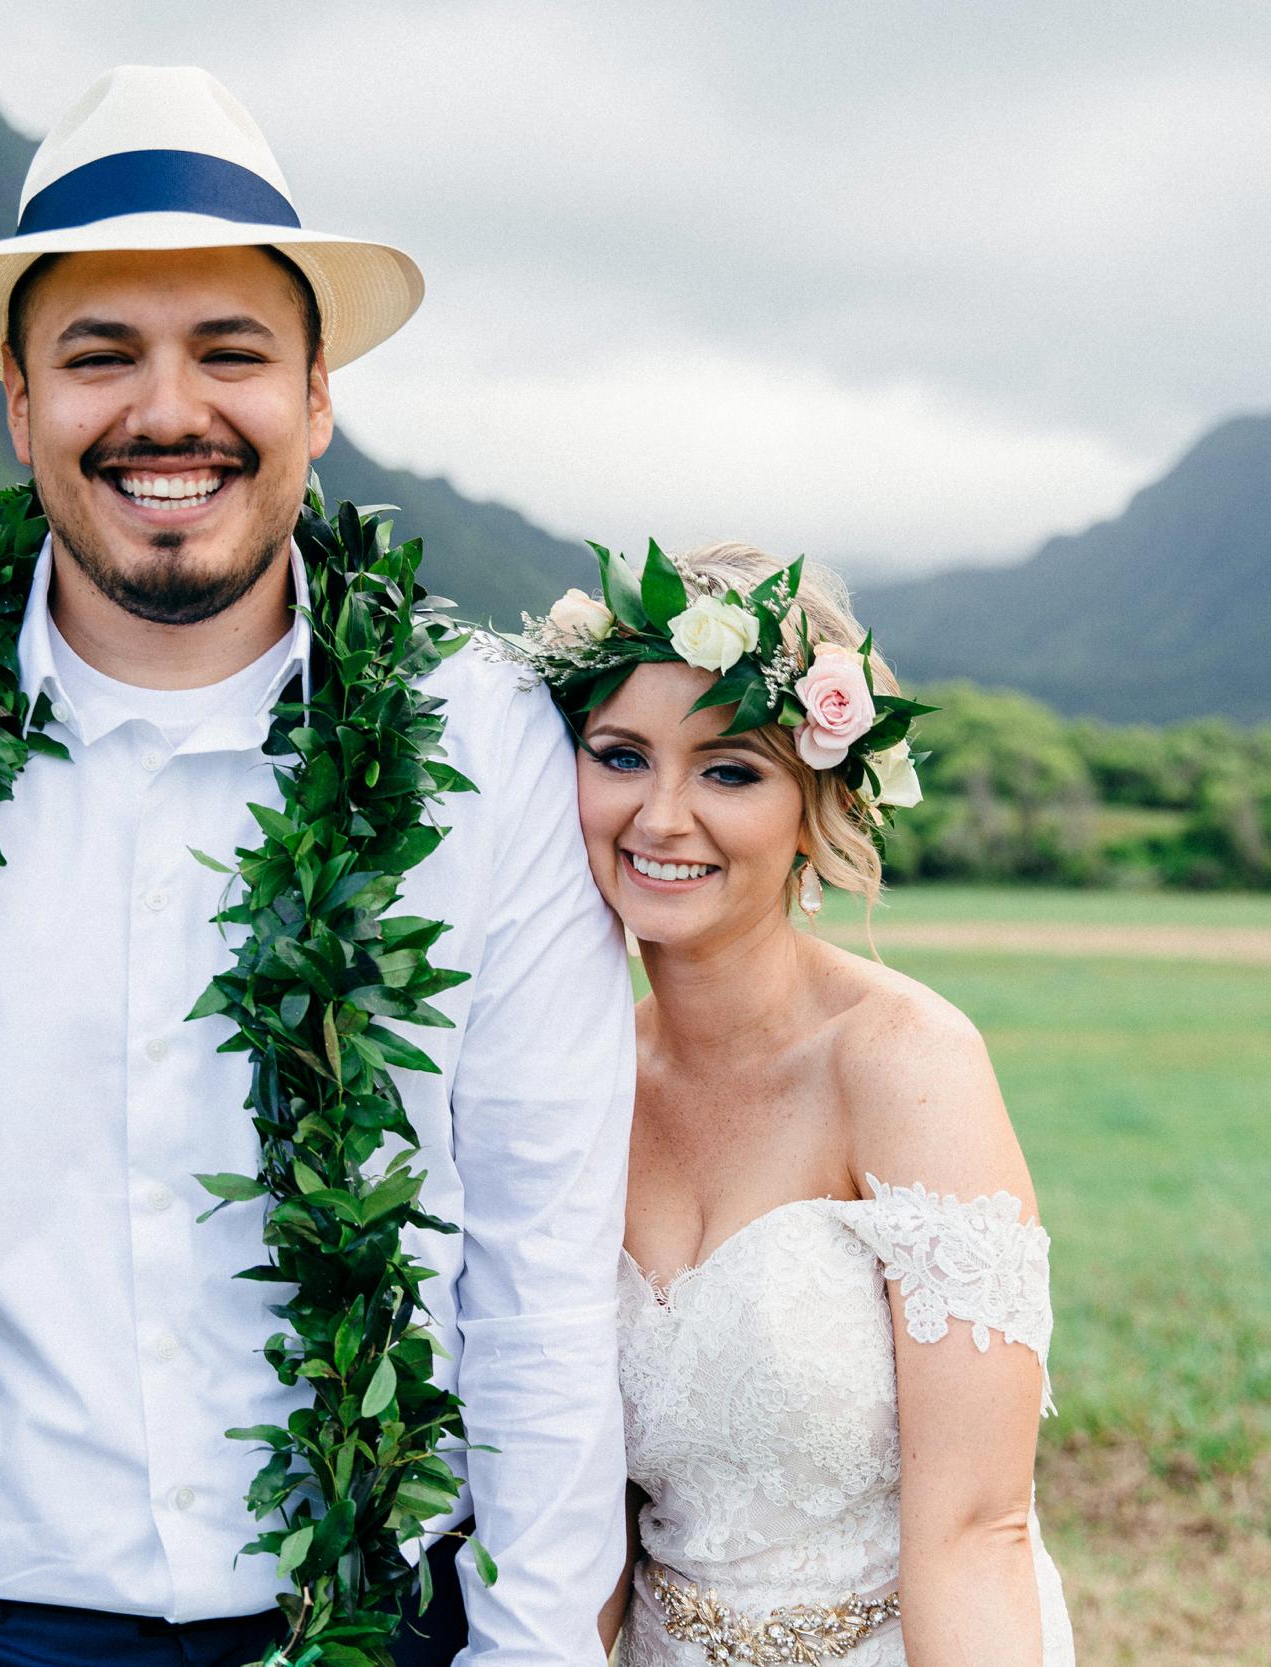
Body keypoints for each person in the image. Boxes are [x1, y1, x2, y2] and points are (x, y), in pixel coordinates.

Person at [0, 66, 635, 1667]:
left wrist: (531, 1644)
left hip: (368, 1619)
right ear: (18, 402)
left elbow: (540, 1244)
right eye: (99, 356)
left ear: (318, 399)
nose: (166, 412)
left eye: (230, 354)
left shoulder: (481, 737)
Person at [508, 542, 1076, 1666]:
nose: (661, 816)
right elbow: (584, 1525)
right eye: (619, 756)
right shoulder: (571, 1082)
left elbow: (977, 1529)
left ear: (819, 799)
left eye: (729, 770)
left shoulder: (904, 1063)